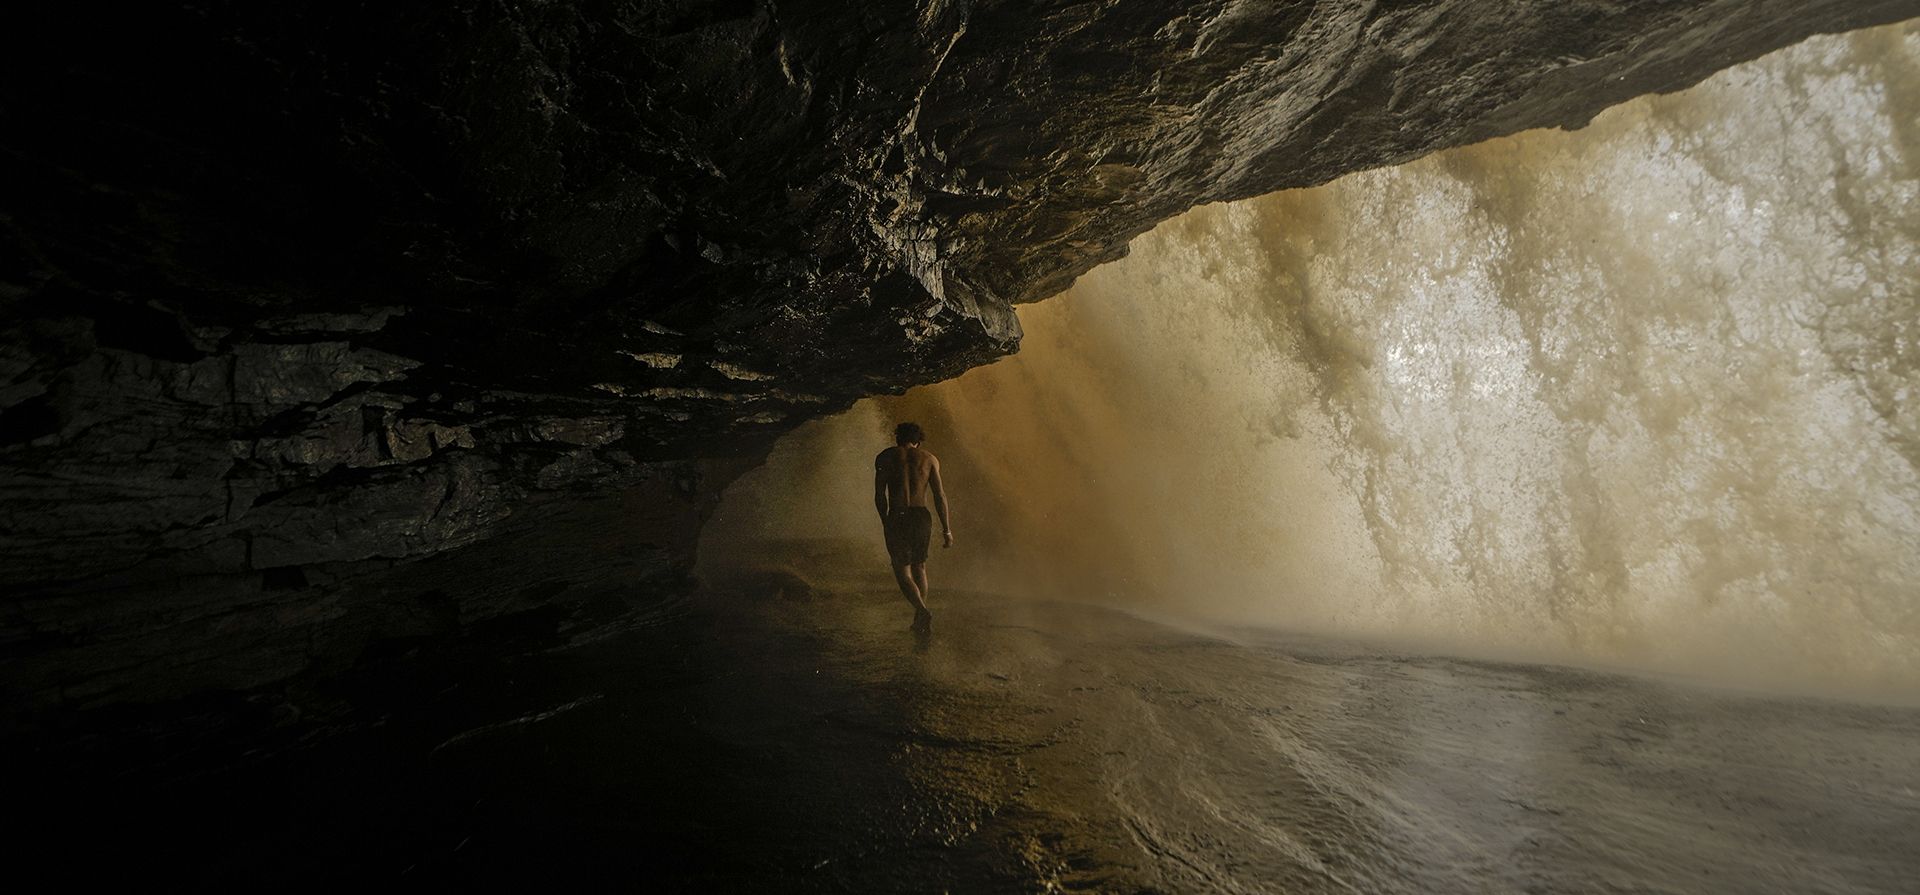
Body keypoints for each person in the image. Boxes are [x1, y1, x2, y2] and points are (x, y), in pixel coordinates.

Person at [874, 421, 952, 630]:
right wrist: (947, 529)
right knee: (920, 566)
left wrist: (884, 520)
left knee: (902, 570)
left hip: (897, 515)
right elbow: (939, 495)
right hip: (921, 516)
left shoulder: (886, 457)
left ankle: (921, 609)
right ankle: (919, 617)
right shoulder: (930, 459)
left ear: (898, 438)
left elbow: (880, 494)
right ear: (918, 441)